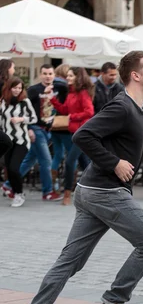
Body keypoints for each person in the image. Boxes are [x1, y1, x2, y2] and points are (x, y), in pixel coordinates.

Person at [18, 51, 143, 304]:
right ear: (135, 75)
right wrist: (114, 163)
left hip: (91, 191)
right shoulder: (122, 106)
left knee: (70, 262)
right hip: (105, 192)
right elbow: (83, 136)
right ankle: (113, 303)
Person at [49, 67, 94, 206]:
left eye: (70, 76)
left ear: (77, 77)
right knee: (85, 163)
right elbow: (64, 110)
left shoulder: (83, 93)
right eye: (67, 75)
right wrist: (53, 100)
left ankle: (67, 193)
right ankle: (94, 190)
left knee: (70, 161)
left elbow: (89, 112)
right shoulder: (71, 92)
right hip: (74, 132)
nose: (67, 77)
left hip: (83, 132)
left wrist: (72, 117)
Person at [18, 64, 63, 201]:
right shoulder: (33, 90)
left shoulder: (58, 88)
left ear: (54, 75)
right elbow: (24, 110)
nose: (48, 76)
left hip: (49, 129)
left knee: (30, 159)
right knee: (46, 161)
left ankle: (9, 184)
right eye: (45, 73)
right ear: (40, 75)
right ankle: (48, 192)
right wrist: (29, 128)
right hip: (36, 128)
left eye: (50, 73)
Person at [0, 77, 37, 207]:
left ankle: (19, 193)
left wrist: (21, 119)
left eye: (20, 88)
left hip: (21, 140)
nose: (17, 90)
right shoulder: (3, 102)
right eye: (15, 87)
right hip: (7, 140)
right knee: (8, 169)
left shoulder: (25, 102)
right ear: (9, 88)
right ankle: (14, 191)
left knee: (14, 168)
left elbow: (34, 118)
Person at [49, 64, 71, 192]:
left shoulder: (50, 85)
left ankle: (53, 183)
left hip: (53, 123)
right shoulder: (66, 87)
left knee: (57, 154)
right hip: (64, 123)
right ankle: (69, 184)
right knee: (72, 155)